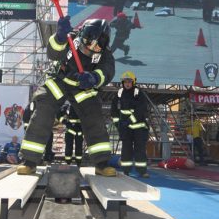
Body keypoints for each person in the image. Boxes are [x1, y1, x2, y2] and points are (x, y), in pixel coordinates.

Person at [17, 17, 117, 177]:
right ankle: (29, 161)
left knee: (95, 118)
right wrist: (59, 38)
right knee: (43, 111)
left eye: (98, 45)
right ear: (83, 32)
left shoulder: (105, 53)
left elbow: (107, 70)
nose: (92, 46)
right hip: (61, 80)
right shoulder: (71, 38)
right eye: (90, 41)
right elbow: (53, 53)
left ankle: (101, 163)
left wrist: (94, 78)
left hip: (83, 86)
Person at [110, 71, 150, 178]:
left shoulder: (138, 93)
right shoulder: (118, 94)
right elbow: (113, 111)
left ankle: (142, 171)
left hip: (139, 128)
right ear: (122, 82)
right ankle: (126, 171)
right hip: (125, 128)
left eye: (129, 81)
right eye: (125, 82)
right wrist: (118, 123)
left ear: (133, 82)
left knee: (140, 150)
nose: (127, 84)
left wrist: (130, 120)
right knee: (126, 150)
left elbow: (141, 109)